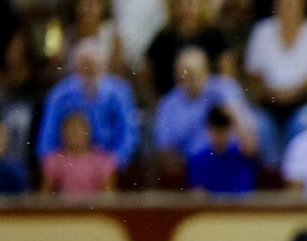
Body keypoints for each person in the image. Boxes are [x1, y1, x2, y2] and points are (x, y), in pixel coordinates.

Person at [36, 39, 140, 168]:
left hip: (110, 164)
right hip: (68, 164)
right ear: (75, 67)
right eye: (84, 65)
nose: (89, 70)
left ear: (103, 66)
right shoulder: (60, 94)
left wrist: (112, 163)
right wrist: (54, 164)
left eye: (93, 65)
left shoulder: (120, 92)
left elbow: (129, 134)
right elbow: (47, 138)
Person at [244, 0, 307, 135]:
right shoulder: (262, 30)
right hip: (269, 103)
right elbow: (252, 72)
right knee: (259, 126)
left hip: (306, 102)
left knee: (304, 122)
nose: (288, 5)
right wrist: (272, 91)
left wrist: (298, 90)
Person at [153, 46, 251, 175]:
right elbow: (164, 149)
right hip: (190, 172)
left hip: (230, 167)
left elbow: (250, 143)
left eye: (191, 74)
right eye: (181, 74)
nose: (185, 80)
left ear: (205, 71)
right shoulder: (168, 104)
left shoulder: (226, 90)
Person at [144, 0, 230, 100]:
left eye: (190, 4)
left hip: (209, 100)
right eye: (179, 4)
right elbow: (147, 70)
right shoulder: (163, 38)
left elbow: (226, 73)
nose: (185, 9)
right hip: (171, 101)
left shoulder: (213, 36)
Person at [40, 111, 118, 196]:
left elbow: (108, 195)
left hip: (94, 204)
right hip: (62, 204)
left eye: (79, 129)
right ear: (62, 133)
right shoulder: (54, 159)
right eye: (69, 130)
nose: (74, 133)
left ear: (88, 131)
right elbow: (45, 194)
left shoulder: (102, 159)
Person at [187, 105, 260, 194]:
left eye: (223, 131)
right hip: (213, 203)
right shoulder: (198, 160)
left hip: (244, 202)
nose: (219, 136)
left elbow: (252, 148)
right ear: (208, 130)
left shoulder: (241, 153)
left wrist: (234, 118)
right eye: (216, 131)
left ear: (229, 130)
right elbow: (198, 193)